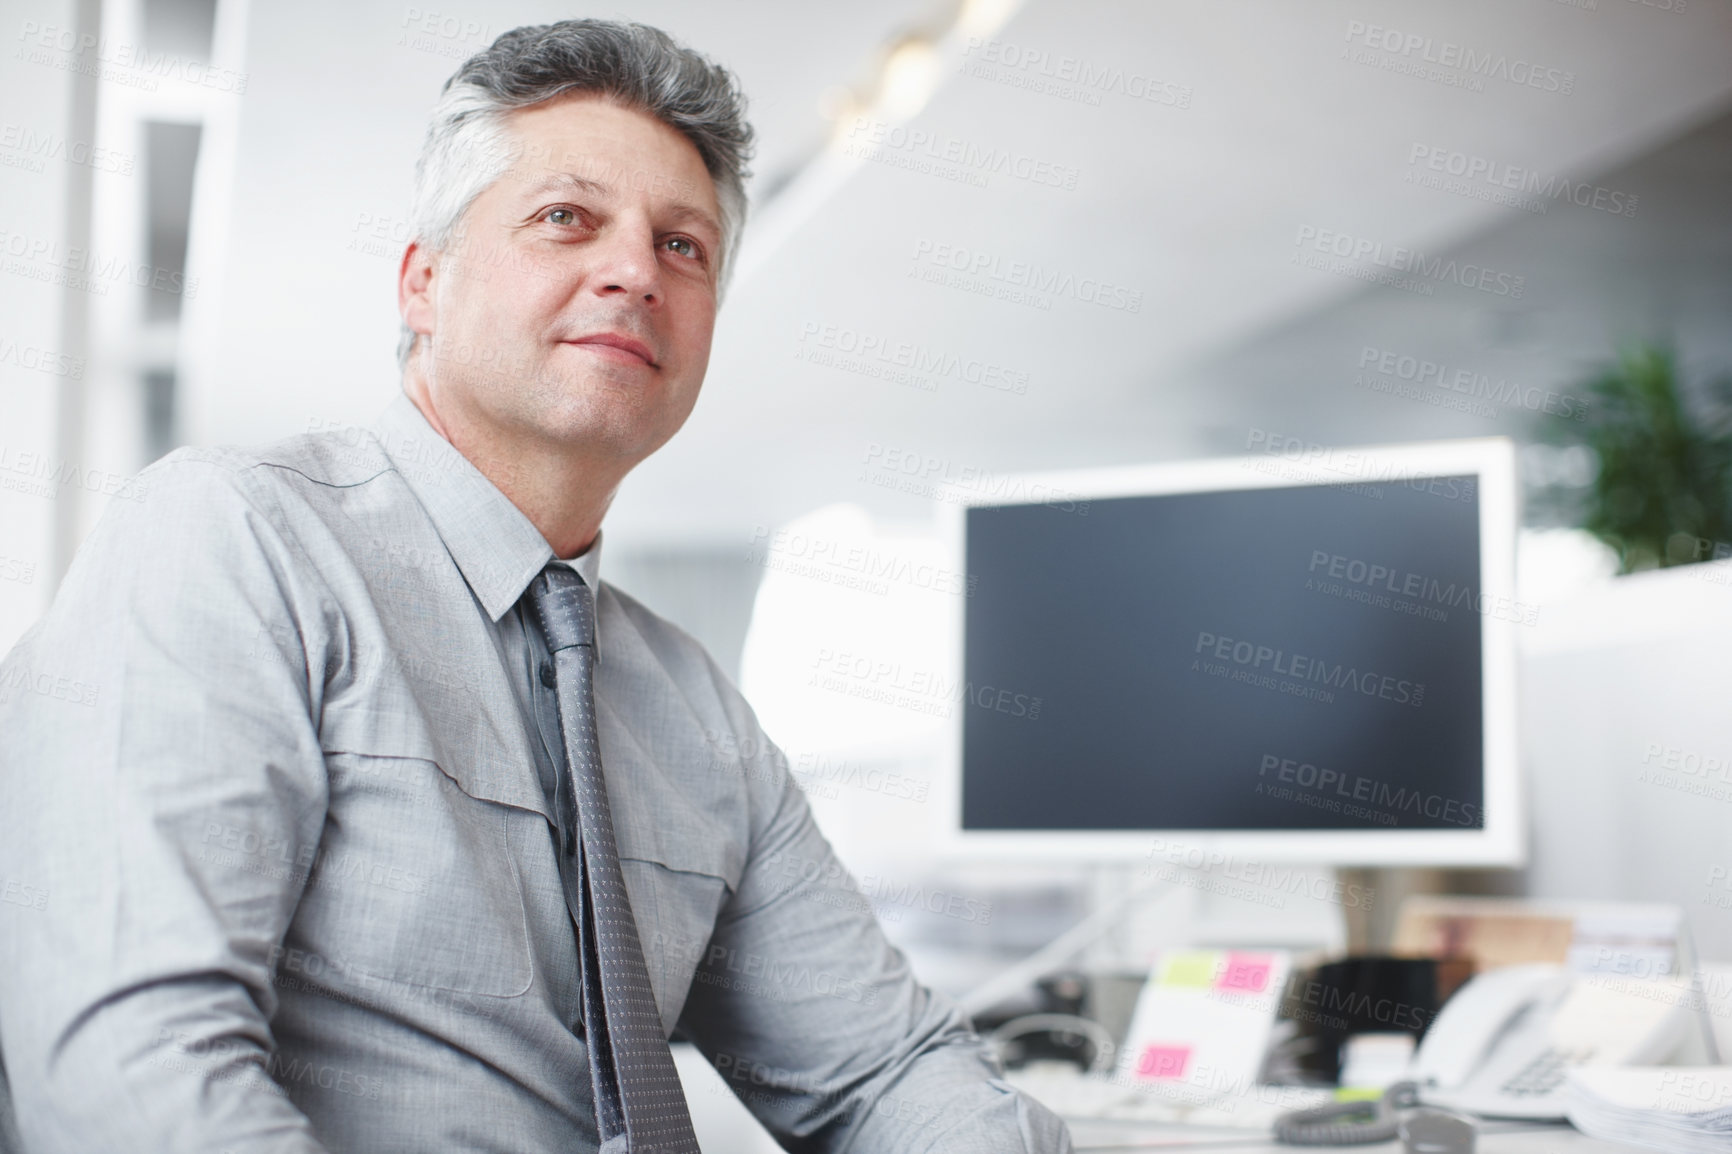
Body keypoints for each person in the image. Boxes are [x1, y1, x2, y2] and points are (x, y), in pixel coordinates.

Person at [0, 19, 1073, 1154]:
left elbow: (881, 1072)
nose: (633, 272)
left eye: (684, 246)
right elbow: (128, 1071)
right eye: (567, 217)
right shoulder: (230, 542)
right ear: (423, 281)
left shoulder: (694, 711)